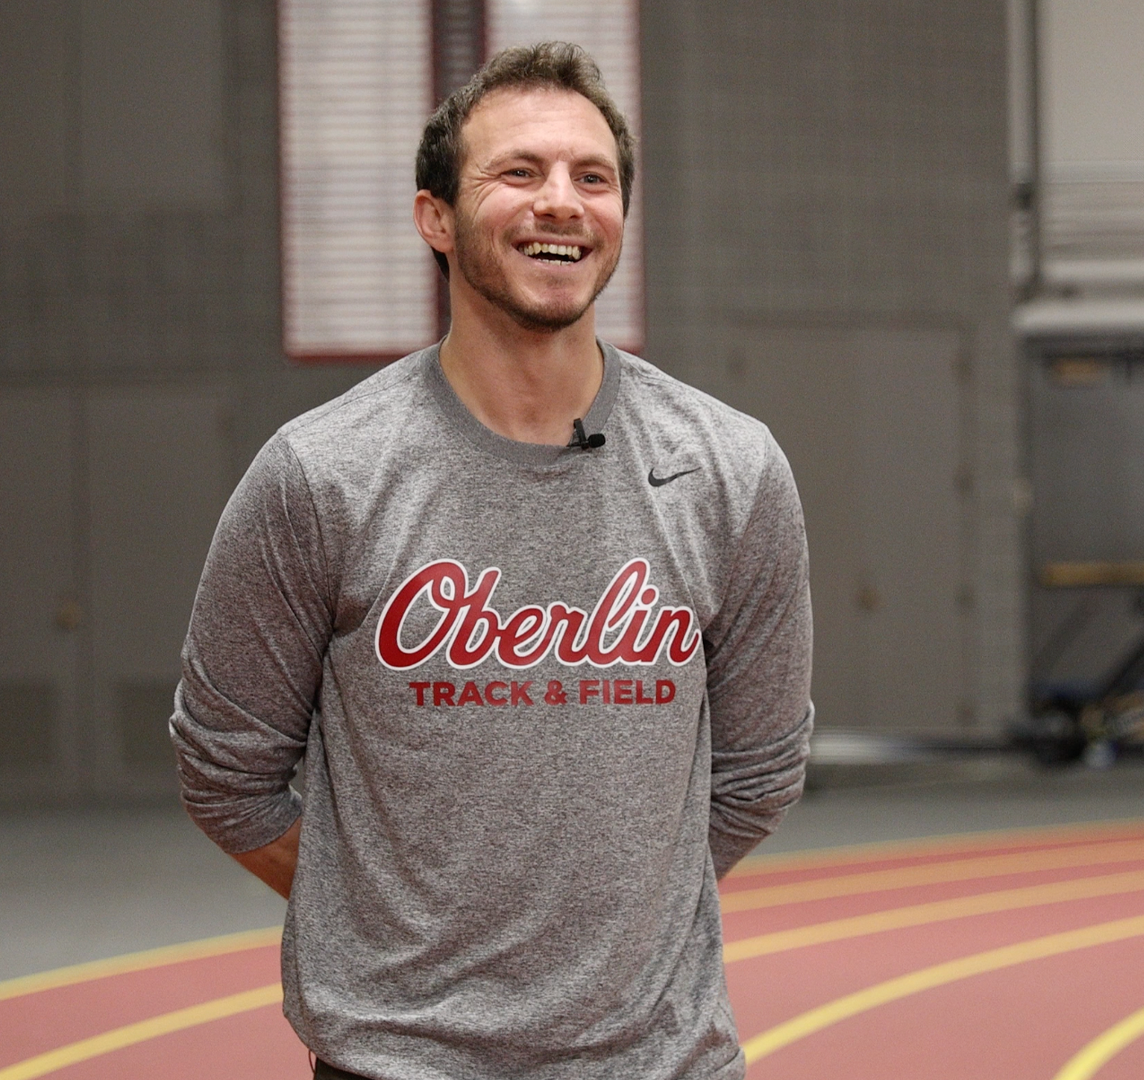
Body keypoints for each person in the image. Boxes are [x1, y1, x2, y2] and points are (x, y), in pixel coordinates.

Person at [171, 41, 813, 1080]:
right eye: (519, 172)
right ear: (436, 216)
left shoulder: (731, 470)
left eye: (591, 177)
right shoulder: (319, 476)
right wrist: (379, 916)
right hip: (397, 1063)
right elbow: (224, 773)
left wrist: (619, 929)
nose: (561, 201)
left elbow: (760, 772)